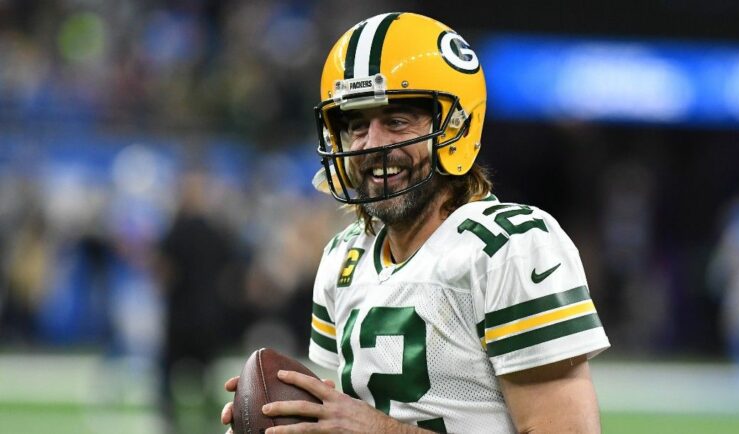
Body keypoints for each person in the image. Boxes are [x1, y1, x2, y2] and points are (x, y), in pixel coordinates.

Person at [222, 12, 610, 433]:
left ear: (455, 128)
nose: (372, 145)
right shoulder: (344, 257)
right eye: (356, 126)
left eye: (397, 122)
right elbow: (347, 420)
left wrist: (377, 430)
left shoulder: (508, 247)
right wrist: (296, 420)